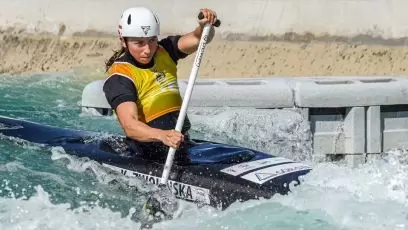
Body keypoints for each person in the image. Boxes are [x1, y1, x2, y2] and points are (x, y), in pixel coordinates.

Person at [103, 7, 219, 162]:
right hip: (147, 154)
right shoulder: (120, 77)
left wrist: (204, 26)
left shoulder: (166, 50)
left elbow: (200, 39)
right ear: (123, 41)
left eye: (152, 40)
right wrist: (162, 135)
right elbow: (129, 125)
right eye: (139, 43)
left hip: (181, 145)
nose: (148, 49)